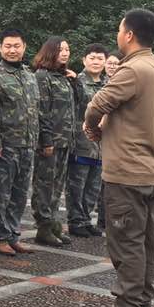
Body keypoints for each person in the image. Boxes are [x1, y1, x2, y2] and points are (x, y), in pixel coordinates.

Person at [83, 9, 154, 307]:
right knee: (145, 245)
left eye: (120, 30)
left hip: (126, 173)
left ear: (129, 34)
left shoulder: (132, 69)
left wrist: (93, 127)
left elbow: (96, 104)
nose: (118, 35)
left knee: (126, 245)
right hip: (149, 171)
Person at [0, 29, 39, 256]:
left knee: (19, 194)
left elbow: (35, 110)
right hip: (6, 145)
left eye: (16, 46)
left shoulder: (29, 75)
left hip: (27, 144)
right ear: (0, 48)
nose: (12, 50)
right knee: (0, 193)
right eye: (7, 46)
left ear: (24, 47)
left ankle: (12, 235)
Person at [32, 37, 78, 248]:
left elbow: (79, 104)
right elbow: (42, 110)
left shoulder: (64, 77)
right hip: (50, 141)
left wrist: (75, 81)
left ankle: (52, 223)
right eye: (61, 50)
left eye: (67, 49)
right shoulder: (43, 76)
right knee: (44, 185)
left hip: (65, 140)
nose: (65, 53)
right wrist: (46, 139)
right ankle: (43, 226)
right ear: (50, 51)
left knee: (57, 185)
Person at [66, 43, 109, 237]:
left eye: (100, 58)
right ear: (84, 60)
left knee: (93, 186)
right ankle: (76, 221)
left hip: (101, 145)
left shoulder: (109, 84)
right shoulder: (75, 81)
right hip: (81, 142)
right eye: (92, 58)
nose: (96, 62)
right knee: (77, 185)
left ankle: (85, 219)